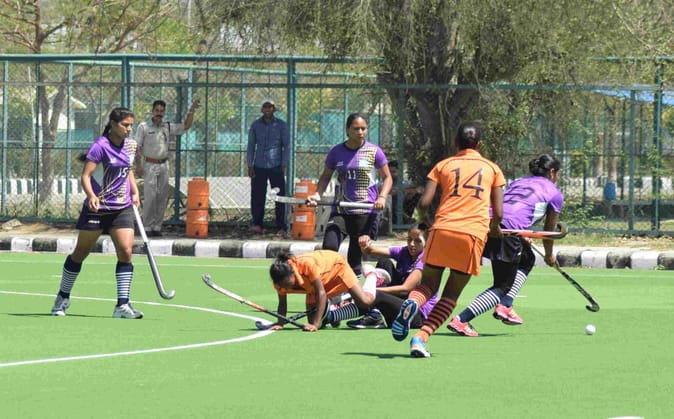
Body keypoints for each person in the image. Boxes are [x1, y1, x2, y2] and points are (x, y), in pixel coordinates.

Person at [390, 121, 505, 358]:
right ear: (480, 144)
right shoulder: (493, 169)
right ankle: (420, 338)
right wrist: (494, 228)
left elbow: (423, 203)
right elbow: (499, 213)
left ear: (455, 143)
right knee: (450, 295)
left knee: (428, 285)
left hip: (442, 230)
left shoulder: (443, 165)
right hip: (471, 235)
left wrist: (426, 222)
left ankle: (413, 303)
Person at [448, 154, 564, 336]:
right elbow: (548, 233)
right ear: (552, 172)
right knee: (502, 286)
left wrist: (522, 233)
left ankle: (506, 305)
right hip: (507, 231)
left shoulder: (519, 182)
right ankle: (461, 320)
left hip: (485, 224)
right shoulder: (554, 193)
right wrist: (549, 256)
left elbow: (514, 207)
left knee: (527, 258)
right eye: (557, 173)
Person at [51, 107, 144, 319]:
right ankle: (62, 297)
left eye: (131, 125)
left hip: (121, 208)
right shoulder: (100, 146)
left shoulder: (130, 145)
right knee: (80, 252)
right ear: (113, 124)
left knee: (126, 252)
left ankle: (122, 305)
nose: (129, 129)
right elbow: (86, 175)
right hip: (98, 209)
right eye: (125, 125)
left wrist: (135, 191)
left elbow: (127, 170)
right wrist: (92, 195)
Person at [307, 112, 392, 276]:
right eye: (356, 129)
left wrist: (382, 197)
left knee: (355, 262)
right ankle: (329, 282)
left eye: (363, 128)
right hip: (341, 210)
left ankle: (354, 289)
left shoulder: (374, 151)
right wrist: (317, 195)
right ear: (347, 130)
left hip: (365, 212)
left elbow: (387, 178)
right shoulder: (336, 152)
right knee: (329, 246)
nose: (360, 132)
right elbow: (325, 177)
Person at [346, 226, 439, 329]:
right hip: (400, 306)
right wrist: (364, 244)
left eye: (418, 241)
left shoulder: (425, 260)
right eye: (409, 239)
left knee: (375, 295)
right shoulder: (404, 251)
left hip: (415, 316)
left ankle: (372, 313)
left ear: (427, 243)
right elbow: (370, 251)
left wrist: (370, 291)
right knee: (384, 262)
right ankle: (374, 315)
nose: (412, 244)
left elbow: (405, 289)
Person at [268, 250, 378, 332]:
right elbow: (282, 303)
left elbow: (321, 293)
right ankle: (335, 305)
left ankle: (372, 275)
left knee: (365, 302)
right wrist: (280, 323)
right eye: (282, 285)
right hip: (316, 283)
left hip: (337, 268)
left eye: (287, 284)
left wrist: (315, 325)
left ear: (292, 272)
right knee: (313, 320)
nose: (286, 288)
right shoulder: (279, 282)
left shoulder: (307, 264)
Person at [135, 98, 200, 237]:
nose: (159, 113)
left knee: (162, 197)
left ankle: (157, 226)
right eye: (157, 110)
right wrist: (138, 165)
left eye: (162, 111)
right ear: (152, 111)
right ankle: (147, 227)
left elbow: (186, 126)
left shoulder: (167, 127)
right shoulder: (144, 127)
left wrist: (192, 110)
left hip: (164, 165)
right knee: (150, 197)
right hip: (149, 165)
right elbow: (137, 147)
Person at [247, 98, 289, 237]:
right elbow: (251, 146)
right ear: (262, 109)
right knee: (257, 196)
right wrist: (250, 165)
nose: (267, 109)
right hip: (259, 165)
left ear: (274, 109)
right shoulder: (255, 125)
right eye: (265, 107)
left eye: (270, 107)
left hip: (276, 166)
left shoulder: (281, 125)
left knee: (280, 197)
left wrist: (284, 164)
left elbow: (286, 146)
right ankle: (257, 224)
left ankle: (281, 226)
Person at [386, 160, 423, 225]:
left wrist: (411, 192)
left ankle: (416, 218)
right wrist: (400, 192)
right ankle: (406, 219)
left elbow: (421, 190)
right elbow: (389, 193)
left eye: (394, 172)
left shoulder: (406, 183)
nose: (391, 174)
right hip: (392, 209)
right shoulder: (384, 184)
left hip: (406, 206)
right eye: (389, 172)